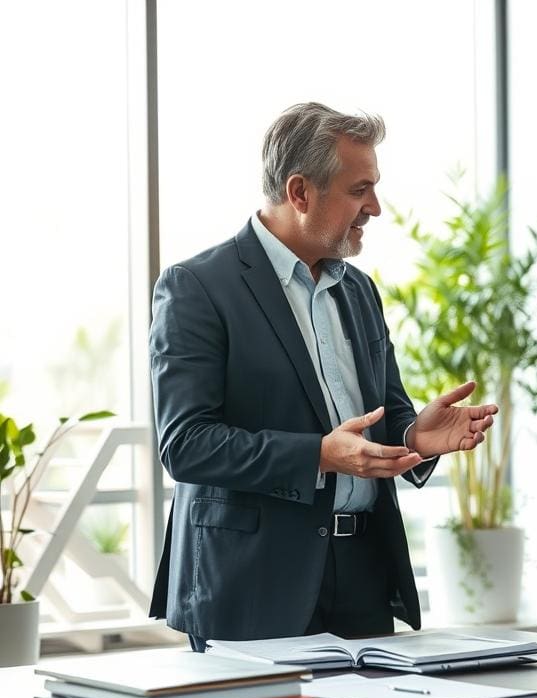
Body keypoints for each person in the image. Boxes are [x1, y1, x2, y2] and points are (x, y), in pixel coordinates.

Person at [148, 102, 497, 649]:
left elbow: (384, 412)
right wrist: (318, 454)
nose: (376, 208)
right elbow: (186, 445)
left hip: (362, 573)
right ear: (300, 192)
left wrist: (415, 438)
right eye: (360, 190)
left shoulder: (358, 289)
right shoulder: (198, 287)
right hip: (253, 583)